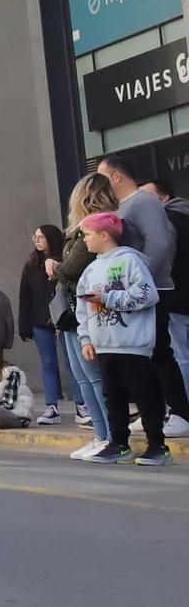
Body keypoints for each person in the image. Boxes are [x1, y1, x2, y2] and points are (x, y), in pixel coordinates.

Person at [73, 212, 170, 466]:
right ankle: (119, 443)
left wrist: (107, 299)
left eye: (88, 235)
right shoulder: (90, 270)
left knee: (144, 394)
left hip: (133, 345)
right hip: (104, 345)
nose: (84, 240)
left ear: (105, 235)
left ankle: (158, 446)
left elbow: (147, 295)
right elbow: (82, 309)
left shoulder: (130, 261)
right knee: (112, 396)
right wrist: (85, 339)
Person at [56, 174, 117, 459]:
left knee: (93, 376)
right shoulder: (78, 231)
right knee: (82, 377)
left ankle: (111, 435)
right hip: (72, 309)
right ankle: (101, 433)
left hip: (90, 309)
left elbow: (70, 269)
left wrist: (54, 266)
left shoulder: (97, 227)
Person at [136, 178, 189, 437]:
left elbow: (163, 257)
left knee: (179, 357)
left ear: (163, 198)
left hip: (176, 298)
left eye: (148, 197)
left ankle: (181, 413)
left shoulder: (166, 221)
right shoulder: (184, 214)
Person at [16, 224, 66, 425]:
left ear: (51, 239)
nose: (37, 241)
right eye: (35, 237)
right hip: (39, 319)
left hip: (63, 318)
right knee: (48, 363)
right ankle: (51, 406)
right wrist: (24, 325)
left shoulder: (65, 261)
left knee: (73, 363)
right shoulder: (31, 264)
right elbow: (24, 296)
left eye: (41, 237)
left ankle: (82, 404)